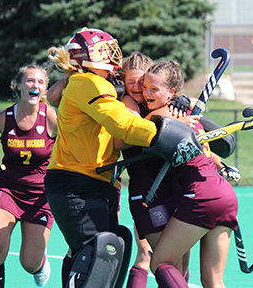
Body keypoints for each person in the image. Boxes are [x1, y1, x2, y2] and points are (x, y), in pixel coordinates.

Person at [44, 28, 203, 288]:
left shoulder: (94, 83)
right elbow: (123, 125)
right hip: (77, 183)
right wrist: (168, 131)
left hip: (94, 181)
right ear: (88, 57)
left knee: (104, 250)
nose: (113, 54)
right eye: (105, 50)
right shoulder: (88, 82)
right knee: (96, 256)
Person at [117, 60, 238, 288]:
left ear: (171, 91)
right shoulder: (172, 110)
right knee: (210, 280)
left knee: (162, 263)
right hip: (222, 194)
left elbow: (150, 128)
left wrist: (176, 115)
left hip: (198, 194)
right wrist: (180, 115)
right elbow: (122, 139)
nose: (142, 90)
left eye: (148, 85)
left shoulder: (165, 112)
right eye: (136, 84)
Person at [0, 65, 57, 287]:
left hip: (41, 196)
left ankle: (40, 264)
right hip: (8, 190)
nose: (35, 85)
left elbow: (73, 144)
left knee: (29, 263)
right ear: (19, 86)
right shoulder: (5, 118)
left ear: (44, 90)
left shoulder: (51, 117)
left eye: (40, 82)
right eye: (30, 81)